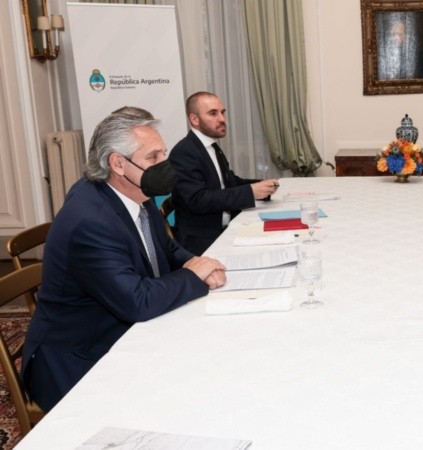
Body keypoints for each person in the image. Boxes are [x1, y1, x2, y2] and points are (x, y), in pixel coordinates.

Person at [22, 112, 227, 411]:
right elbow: (138, 302)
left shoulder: (135, 195)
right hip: (79, 359)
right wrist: (193, 275)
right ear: (117, 163)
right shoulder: (91, 222)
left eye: (164, 154)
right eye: (153, 157)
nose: (165, 165)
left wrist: (197, 262)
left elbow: (167, 250)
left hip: (122, 331)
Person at [169, 91, 280, 255]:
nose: (222, 119)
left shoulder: (211, 146)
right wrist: (250, 192)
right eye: (213, 113)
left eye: (222, 112)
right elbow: (198, 200)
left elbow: (228, 181)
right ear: (194, 119)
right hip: (203, 241)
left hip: (225, 229)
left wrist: (260, 186)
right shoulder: (184, 152)